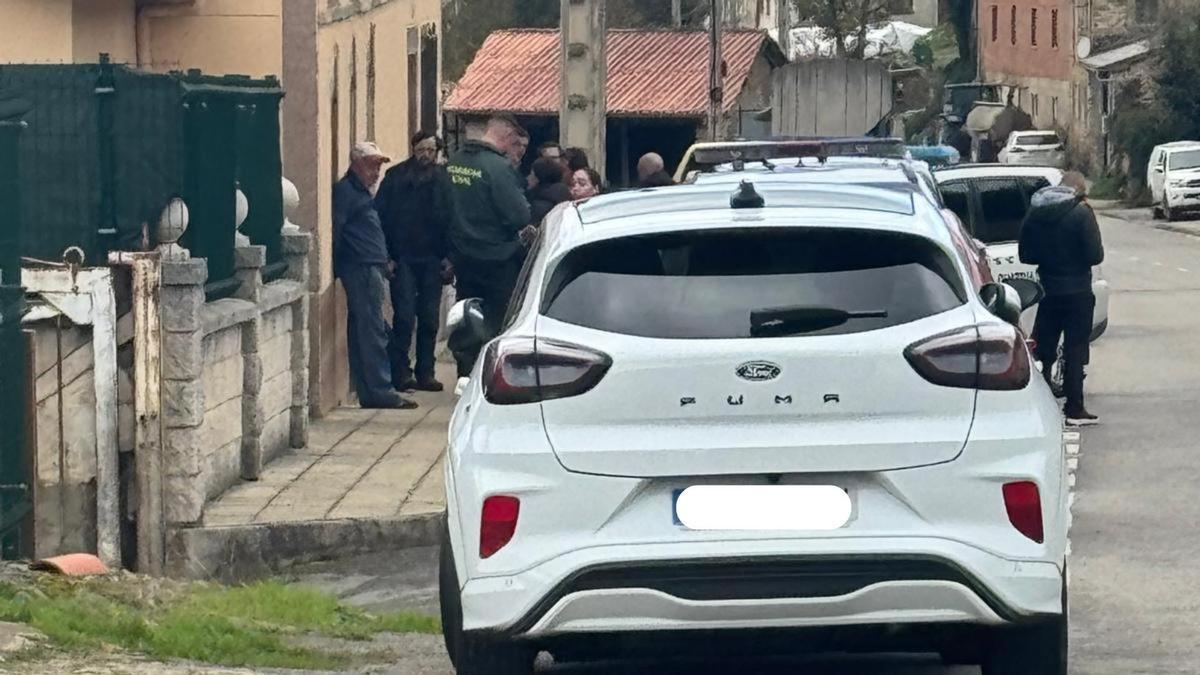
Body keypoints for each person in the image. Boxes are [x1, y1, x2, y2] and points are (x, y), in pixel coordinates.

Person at [332, 142, 418, 410]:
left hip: (372, 266)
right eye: (372, 165)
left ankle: (370, 391)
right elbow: (337, 229)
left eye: (380, 166)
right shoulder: (347, 192)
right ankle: (381, 390)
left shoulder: (362, 193)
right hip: (361, 267)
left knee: (367, 329)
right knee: (373, 331)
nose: (377, 172)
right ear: (356, 164)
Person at [446, 115, 532, 377]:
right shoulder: (497, 168)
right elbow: (519, 216)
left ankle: (465, 372)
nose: (516, 151)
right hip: (497, 258)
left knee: (467, 314)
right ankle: (492, 376)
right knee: (499, 320)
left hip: (462, 255)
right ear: (506, 137)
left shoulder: (454, 163)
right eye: (515, 144)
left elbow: (438, 207)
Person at [1019, 171, 1105, 426]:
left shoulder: (1036, 211)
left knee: (1044, 347)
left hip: (1048, 289)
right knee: (1075, 348)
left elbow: (1026, 254)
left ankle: (1041, 399)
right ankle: (1075, 408)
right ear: (1078, 190)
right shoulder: (1081, 213)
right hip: (1077, 289)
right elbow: (1094, 256)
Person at [375, 131, 454, 393]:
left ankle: (426, 372)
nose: (427, 155)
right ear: (414, 149)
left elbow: (453, 220)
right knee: (405, 317)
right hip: (403, 258)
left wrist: (449, 257)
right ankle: (401, 372)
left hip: (433, 259)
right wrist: (386, 257)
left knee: (430, 319)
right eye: (422, 149)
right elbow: (381, 218)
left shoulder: (445, 180)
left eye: (431, 150)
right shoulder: (396, 178)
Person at [528, 157, 572, 225]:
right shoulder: (566, 196)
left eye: (531, 174)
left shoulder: (537, 205)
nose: (529, 177)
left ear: (538, 178)